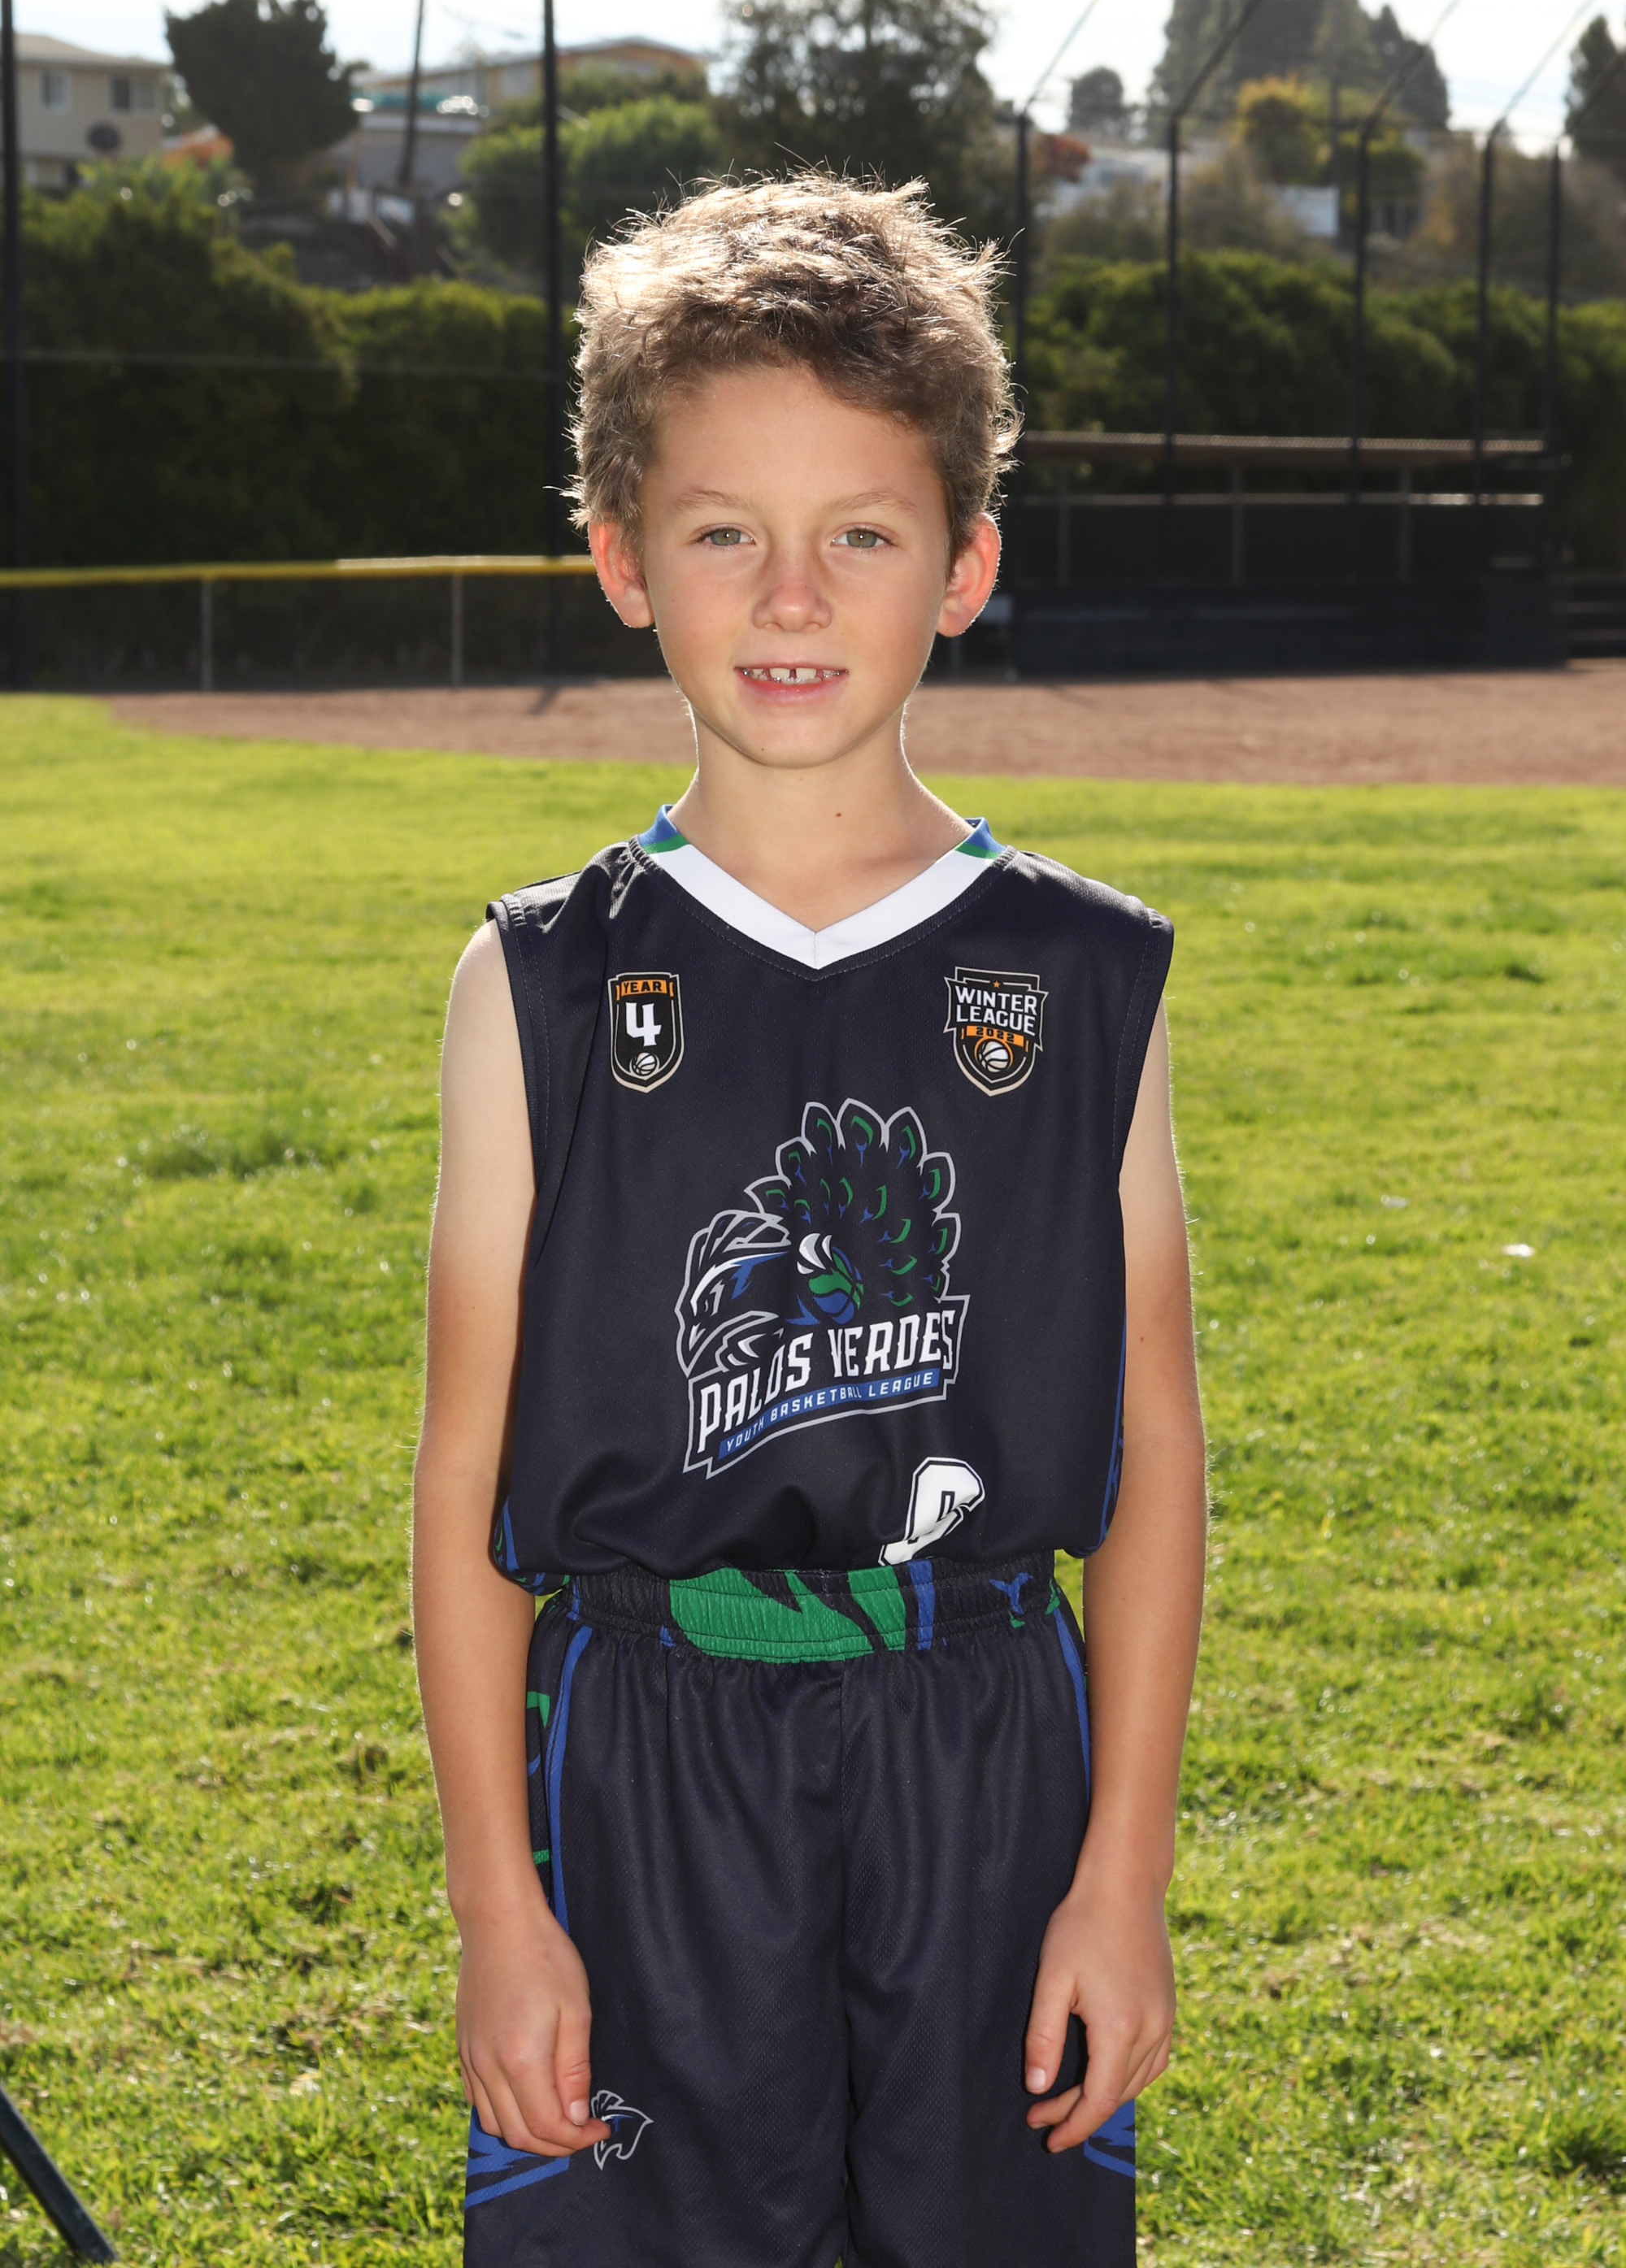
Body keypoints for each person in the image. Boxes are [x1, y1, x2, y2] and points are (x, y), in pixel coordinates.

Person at [413, 174, 1207, 2268]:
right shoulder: (538, 983)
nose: (791, 595)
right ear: (621, 560)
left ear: (966, 565)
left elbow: (1151, 1452)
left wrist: (1120, 1880)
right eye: (721, 535)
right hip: (648, 1760)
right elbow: (468, 1481)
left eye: (860, 533)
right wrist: (501, 1911)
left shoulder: (1080, 976)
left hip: (986, 1753)